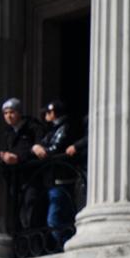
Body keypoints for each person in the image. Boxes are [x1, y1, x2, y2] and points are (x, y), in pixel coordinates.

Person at [33, 100, 75, 247]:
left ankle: (65, 244)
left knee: (55, 218)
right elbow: (43, 146)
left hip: (61, 179)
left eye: (48, 112)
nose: (45, 115)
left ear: (54, 113)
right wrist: (36, 148)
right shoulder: (52, 130)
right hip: (51, 179)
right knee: (58, 214)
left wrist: (42, 151)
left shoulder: (65, 127)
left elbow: (56, 148)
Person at [0, 97, 45, 230]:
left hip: (32, 175)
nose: (8, 116)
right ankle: (24, 242)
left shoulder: (33, 127)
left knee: (32, 207)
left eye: (11, 112)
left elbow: (38, 148)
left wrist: (18, 158)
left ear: (19, 113)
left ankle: (34, 242)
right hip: (16, 178)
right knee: (20, 211)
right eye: (5, 113)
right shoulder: (8, 133)